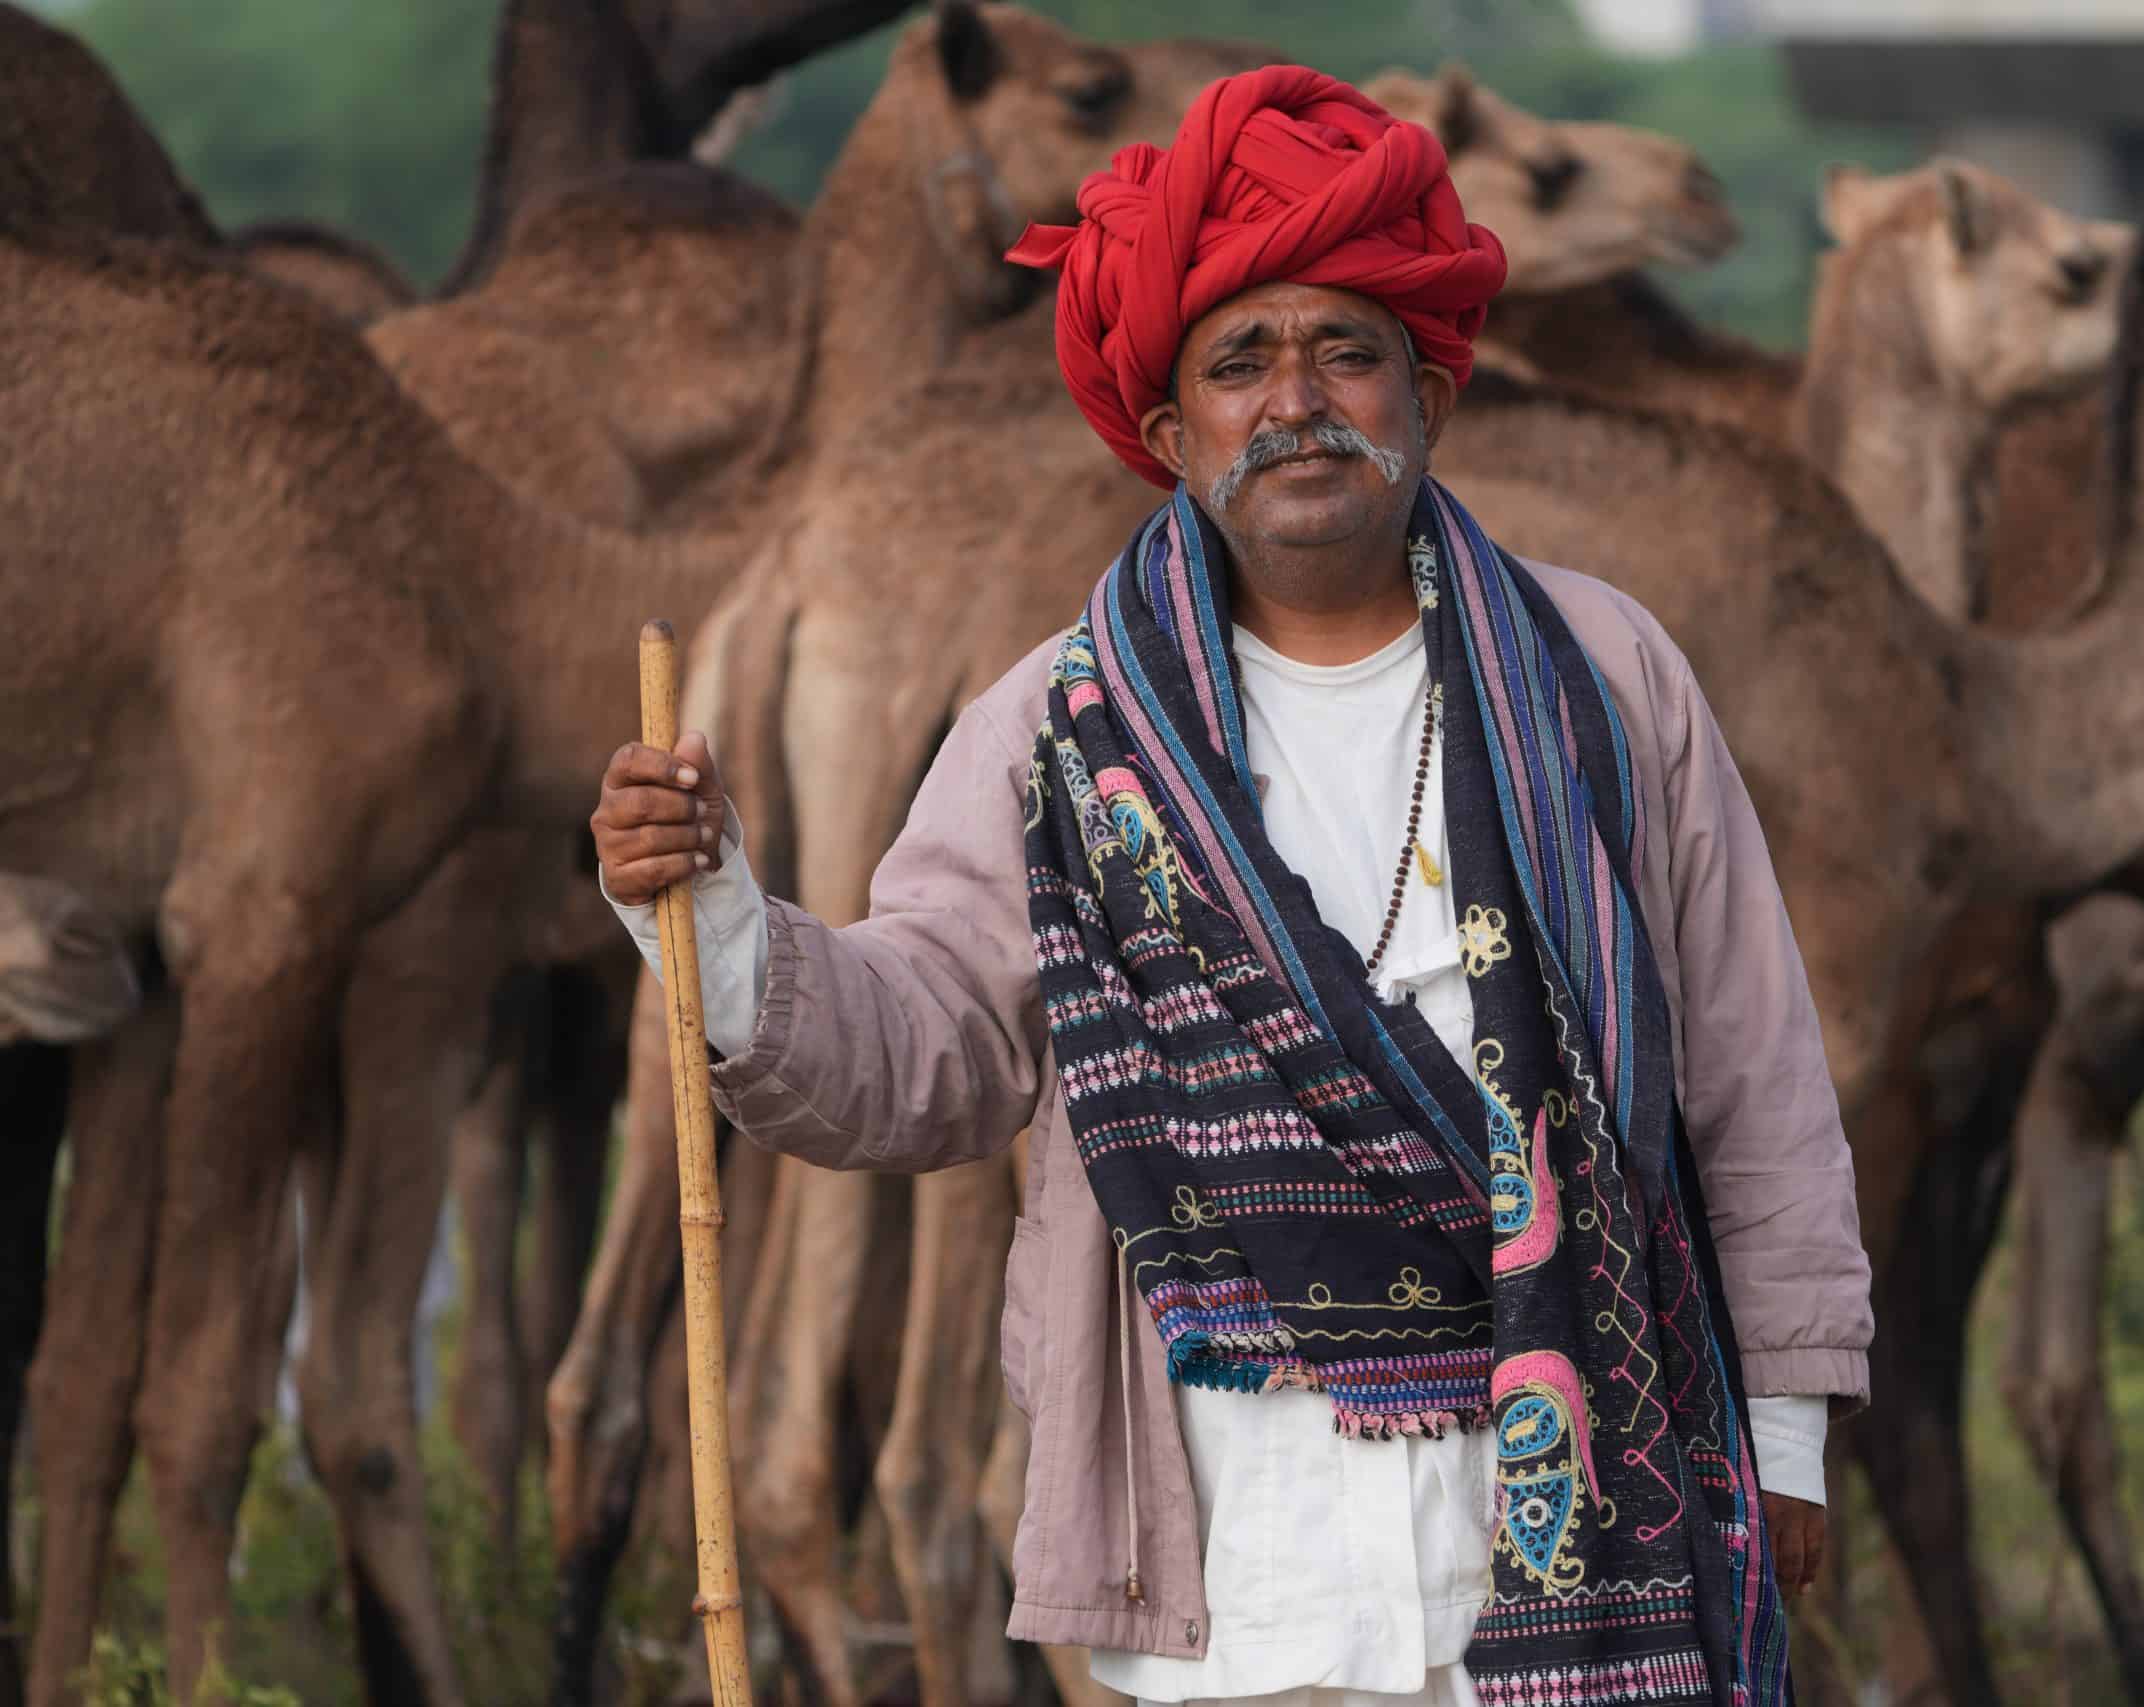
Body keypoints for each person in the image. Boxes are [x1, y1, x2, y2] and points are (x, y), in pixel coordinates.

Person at [595, 65, 1870, 1707]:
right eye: (1239, 362)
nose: (1296, 401)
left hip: (1581, 1518)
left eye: (1347, 349)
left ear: (1430, 393)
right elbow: (925, 1046)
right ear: (1167, 428)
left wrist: (1780, 1433)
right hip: (1234, 1561)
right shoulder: (1061, 721)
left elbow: (1755, 1078)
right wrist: (705, 914)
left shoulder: (1604, 678)